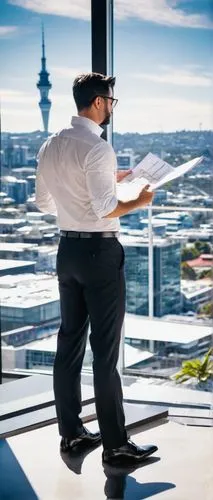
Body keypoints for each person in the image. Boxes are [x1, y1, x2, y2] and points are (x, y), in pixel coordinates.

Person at [36, 72, 158, 465]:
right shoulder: (98, 148)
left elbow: (44, 204)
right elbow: (107, 208)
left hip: (67, 250)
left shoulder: (50, 145)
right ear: (100, 102)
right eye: (111, 101)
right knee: (104, 353)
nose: (111, 107)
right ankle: (116, 445)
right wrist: (138, 201)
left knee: (68, 344)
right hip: (100, 256)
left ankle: (71, 435)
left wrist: (89, 197)